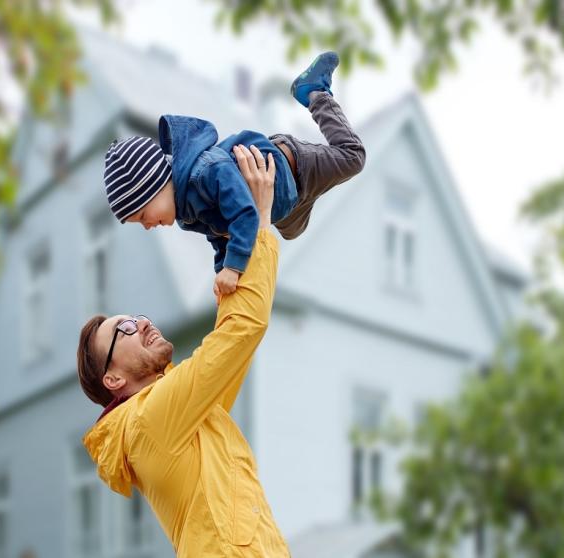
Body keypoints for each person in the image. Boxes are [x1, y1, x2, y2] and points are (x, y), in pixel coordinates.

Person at [78, 145, 290, 557]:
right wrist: (260, 225)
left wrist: (235, 247)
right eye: (122, 330)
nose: (140, 323)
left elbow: (231, 345)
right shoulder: (148, 422)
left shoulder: (185, 414)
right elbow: (242, 331)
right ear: (114, 379)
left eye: (134, 316)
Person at [102, 51, 365, 302]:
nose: (147, 226)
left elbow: (244, 214)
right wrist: (222, 274)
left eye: (142, 216)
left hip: (295, 167)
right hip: (287, 204)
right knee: (293, 232)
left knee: (353, 157)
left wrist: (234, 267)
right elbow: (219, 235)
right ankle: (310, 194)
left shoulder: (206, 172)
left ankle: (314, 92)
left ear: (154, 185)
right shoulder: (186, 212)